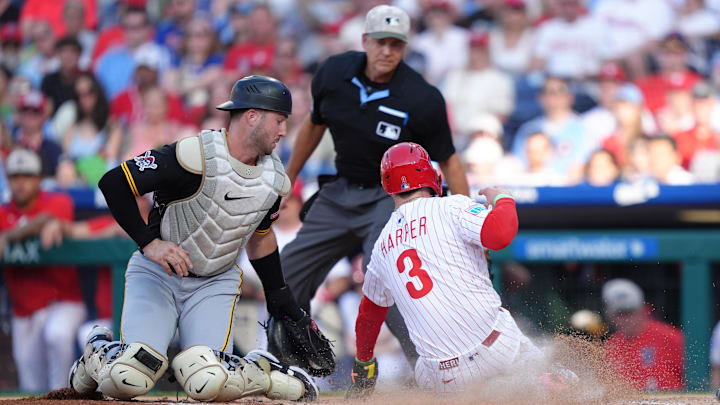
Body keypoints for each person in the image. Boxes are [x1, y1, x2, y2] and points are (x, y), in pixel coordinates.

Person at [68, 75, 327, 402]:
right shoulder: (192, 156)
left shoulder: (274, 181)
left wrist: (279, 293)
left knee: (206, 381)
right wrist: (149, 242)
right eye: (279, 120)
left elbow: (260, 238)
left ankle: (263, 371)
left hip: (213, 282)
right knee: (129, 378)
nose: (283, 131)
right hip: (157, 276)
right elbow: (113, 183)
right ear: (252, 116)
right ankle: (98, 350)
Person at [279, 4, 469, 370]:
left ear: (405, 47)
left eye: (395, 44)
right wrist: (288, 179)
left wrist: (463, 213)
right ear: (365, 40)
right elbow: (314, 126)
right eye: (380, 42)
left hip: (393, 199)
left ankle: (428, 366)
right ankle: (287, 362)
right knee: (285, 275)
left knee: (390, 273)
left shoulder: (422, 97)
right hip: (339, 191)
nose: (387, 51)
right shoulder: (333, 73)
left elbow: (449, 160)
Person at [345, 142, 577, 396]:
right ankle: (538, 380)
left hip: (442, 377)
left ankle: (494, 391)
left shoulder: (380, 247)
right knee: (562, 378)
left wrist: (364, 364)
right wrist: (504, 198)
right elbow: (500, 234)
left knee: (423, 368)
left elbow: (369, 314)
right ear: (431, 176)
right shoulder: (451, 206)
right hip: (495, 348)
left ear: (387, 187)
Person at [0, 149, 86, 391]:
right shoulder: (3, 212)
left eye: (27, 176)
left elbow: (46, 218)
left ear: (38, 178)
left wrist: (9, 236)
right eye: (15, 177)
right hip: (23, 310)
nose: (20, 183)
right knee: (30, 385)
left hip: (62, 301)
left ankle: (65, 395)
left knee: (56, 334)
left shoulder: (57, 200)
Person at [602, 278, 685, 391]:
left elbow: (698, 377)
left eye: (630, 312)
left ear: (643, 310)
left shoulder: (669, 336)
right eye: (619, 314)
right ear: (610, 316)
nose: (625, 319)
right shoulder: (611, 347)